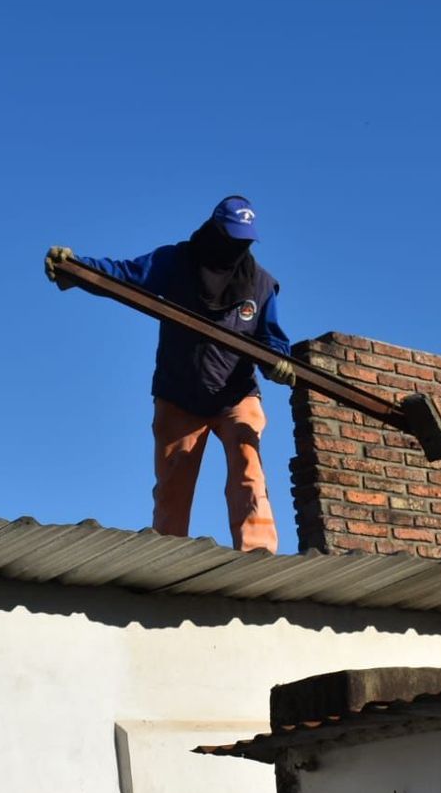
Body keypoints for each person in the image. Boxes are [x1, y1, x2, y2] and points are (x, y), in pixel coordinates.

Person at [44, 195, 295, 553]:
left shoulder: (261, 284)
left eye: (245, 242)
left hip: (235, 394)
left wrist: (278, 361)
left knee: (248, 469)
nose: (237, 248)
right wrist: (78, 271)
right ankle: (169, 554)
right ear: (215, 232)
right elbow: (126, 275)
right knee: (172, 486)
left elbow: (271, 338)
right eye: (232, 239)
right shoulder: (178, 262)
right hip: (180, 394)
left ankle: (258, 554)